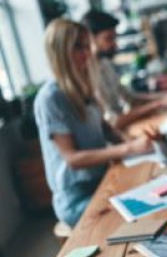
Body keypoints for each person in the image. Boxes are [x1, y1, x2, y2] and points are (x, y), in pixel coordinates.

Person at [34, 19, 153, 227]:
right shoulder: (50, 98)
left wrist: (135, 141)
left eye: (85, 45)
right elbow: (73, 159)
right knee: (142, 216)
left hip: (102, 182)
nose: (87, 53)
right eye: (78, 47)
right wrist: (129, 148)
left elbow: (106, 129)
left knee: (151, 193)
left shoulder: (84, 85)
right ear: (61, 52)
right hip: (77, 199)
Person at [81, 10, 167, 130]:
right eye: (108, 38)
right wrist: (159, 103)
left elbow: (130, 98)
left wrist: (166, 96)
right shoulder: (87, 76)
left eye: (114, 38)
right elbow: (114, 122)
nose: (115, 45)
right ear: (90, 39)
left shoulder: (105, 63)